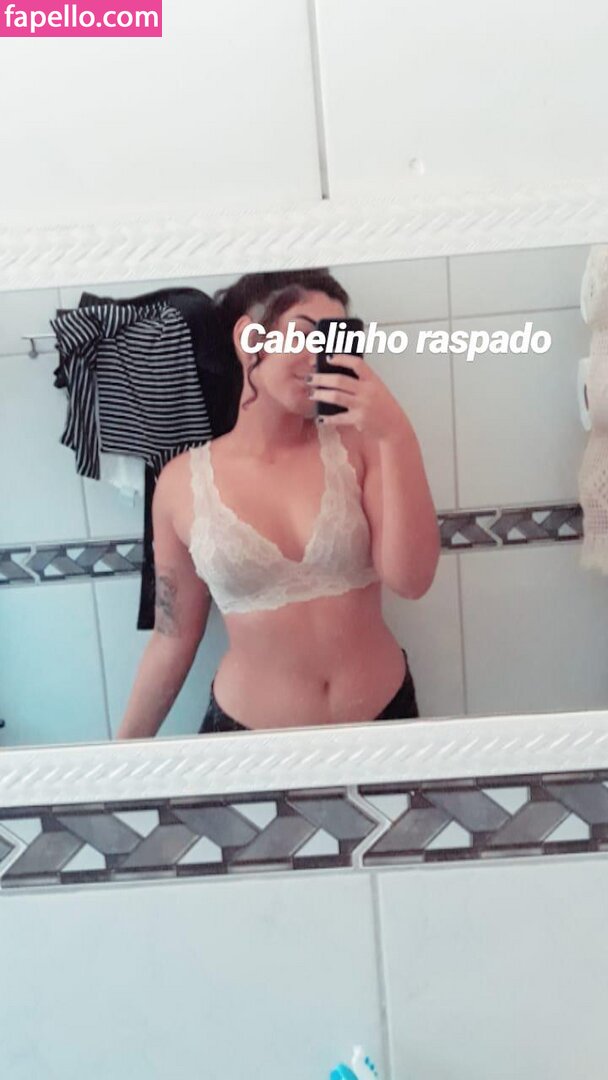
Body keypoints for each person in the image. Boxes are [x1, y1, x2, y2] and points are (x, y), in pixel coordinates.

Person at [116, 269, 440, 738]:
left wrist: (396, 433)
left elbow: (411, 581)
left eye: (332, 340)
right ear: (248, 340)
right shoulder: (180, 484)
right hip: (248, 741)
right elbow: (173, 637)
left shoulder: (362, 444)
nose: (318, 356)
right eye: (304, 334)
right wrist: (121, 756)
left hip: (383, 722)